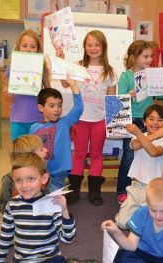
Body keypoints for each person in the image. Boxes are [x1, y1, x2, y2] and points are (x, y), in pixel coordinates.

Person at [57, 30, 117, 206]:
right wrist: (61, 60)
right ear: (84, 46)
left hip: (100, 121)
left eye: (97, 44)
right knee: (79, 154)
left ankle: (94, 191)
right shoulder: (77, 66)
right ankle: (74, 191)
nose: (93, 48)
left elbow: (112, 99)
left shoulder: (109, 71)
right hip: (80, 120)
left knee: (97, 155)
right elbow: (64, 83)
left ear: (103, 47)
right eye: (89, 44)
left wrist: (112, 123)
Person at [0, 153, 76, 263]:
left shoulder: (51, 203)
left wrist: (65, 211)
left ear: (44, 178)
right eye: (18, 180)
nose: (24, 185)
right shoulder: (12, 205)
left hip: (50, 260)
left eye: (31, 179)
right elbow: (4, 239)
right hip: (23, 262)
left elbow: (68, 238)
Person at [115, 104, 163, 229]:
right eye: (151, 119)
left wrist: (144, 133)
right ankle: (142, 214)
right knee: (121, 223)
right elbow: (135, 146)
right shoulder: (137, 137)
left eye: (160, 120)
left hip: (154, 190)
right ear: (144, 122)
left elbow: (153, 152)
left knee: (154, 224)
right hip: (135, 187)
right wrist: (147, 134)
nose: (155, 123)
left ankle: (149, 214)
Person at [116, 40, 156, 204]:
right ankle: (122, 189)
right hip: (131, 120)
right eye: (145, 56)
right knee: (129, 155)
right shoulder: (126, 76)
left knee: (147, 154)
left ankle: (146, 188)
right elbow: (120, 99)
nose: (149, 59)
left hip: (148, 120)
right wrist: (129, 96)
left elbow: (159, 95)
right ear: (134, 58)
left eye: (151, 56)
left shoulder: (152, 74)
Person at [0, 134, 48, 233]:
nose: (46, 150)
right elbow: (2, 204)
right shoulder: (8, 179)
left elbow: (46, 197)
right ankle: (19, 233)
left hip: (37, 217)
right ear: (31, 156)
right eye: (42, 149)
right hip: (16, 218)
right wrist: (18, 211)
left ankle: (16, 234)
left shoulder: (42, 175)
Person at [30, 77, 83, 192]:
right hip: (40, 170)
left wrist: (74, 86)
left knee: (55, 197)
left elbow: (78, 108)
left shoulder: (65, 123)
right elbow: (31, 151)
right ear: (41, 108)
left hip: (58, 173)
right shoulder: (34, 127)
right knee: (40, 196)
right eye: (52, 106)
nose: (57, 109)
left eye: (59, 105)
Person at [5, 29, 51, 141]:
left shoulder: (41, 66)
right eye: (24, 46)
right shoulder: (12, 66)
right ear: (18, 47)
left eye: (33, 47)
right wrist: (7, 92)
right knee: (19, 151)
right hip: (18, 117)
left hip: (37, 117)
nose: (28, 50)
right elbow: (8, 87)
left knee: (36, 151)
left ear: (38, 49)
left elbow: (48, 90)